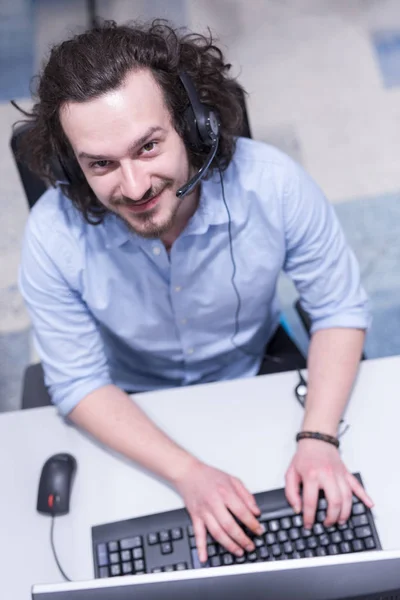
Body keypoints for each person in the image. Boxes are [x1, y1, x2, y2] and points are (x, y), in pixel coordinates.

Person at [18, 19, 373, 564]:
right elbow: (79, 381)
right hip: (131, 398)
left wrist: (319, 439)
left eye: (149, 146)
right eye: (101, 164)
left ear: (194, 124)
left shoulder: (273, 187)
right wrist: (189, 474)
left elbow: (339, 308)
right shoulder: (52, 234)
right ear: (72, 166)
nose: (134, 188)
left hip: (253, 371)